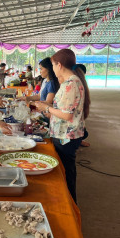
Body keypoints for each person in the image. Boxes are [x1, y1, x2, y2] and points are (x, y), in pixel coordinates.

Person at [36, 49, 90, 203]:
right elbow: (64, 111)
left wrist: (46, 108)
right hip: (64, 133)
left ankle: (70, 203)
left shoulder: (71, 84)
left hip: (66, 136)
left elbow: (67, 115)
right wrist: (51, 113)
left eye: (52, 65)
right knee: (66, 170)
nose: (53, 69)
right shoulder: (71, 82)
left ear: (58, 65)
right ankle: (69, 201)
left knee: (66, 171)